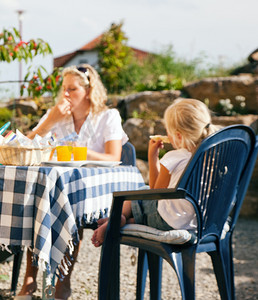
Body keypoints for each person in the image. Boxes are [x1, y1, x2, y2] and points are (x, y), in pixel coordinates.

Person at [16, 64, 128, 300]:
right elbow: (24, 146)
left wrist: (78, 151)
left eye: (72, 89)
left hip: (94, 194)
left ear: (88, 91)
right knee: (37, 202)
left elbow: (113, 156)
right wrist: (49, 122)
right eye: (64, 89)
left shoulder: (107, 117)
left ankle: (62, 282)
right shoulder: (57, 116)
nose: (66, 94)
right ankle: (29, 279)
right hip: (58, 187)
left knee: (67, 205)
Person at [91, 98, 220, 248]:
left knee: (139, 192)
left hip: (167, 221)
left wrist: (153, 158)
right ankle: (126, 221)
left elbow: (155, 192)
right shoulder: (214, 157)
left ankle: (119, 218)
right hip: (198, 222)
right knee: (147, 202)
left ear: (178, 136)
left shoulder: (174, 158)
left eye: (168, 131)